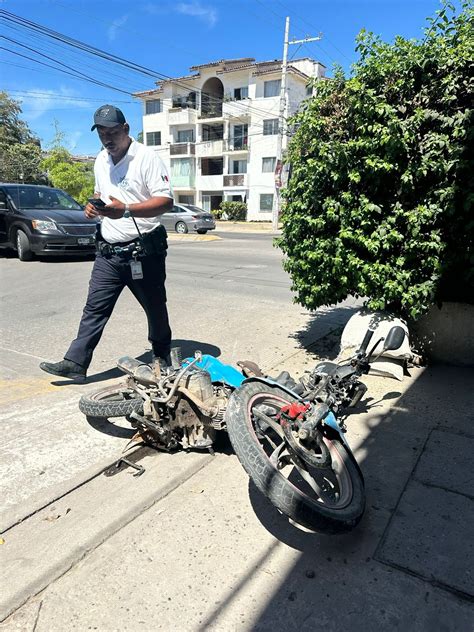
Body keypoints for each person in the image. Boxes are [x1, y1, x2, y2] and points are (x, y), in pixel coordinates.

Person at [40, 105, 174, 381]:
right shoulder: (101, 159)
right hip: (109, 252)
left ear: (126, 130)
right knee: (94, 308)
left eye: (113, 132)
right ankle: (76, 361)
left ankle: (162, 355)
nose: (108, 139)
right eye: (102, 133)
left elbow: (165, 201)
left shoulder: (146, 158)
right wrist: (92, 206)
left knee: (155, 307)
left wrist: (126, 209)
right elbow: (101, 192)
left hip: (143, 252)